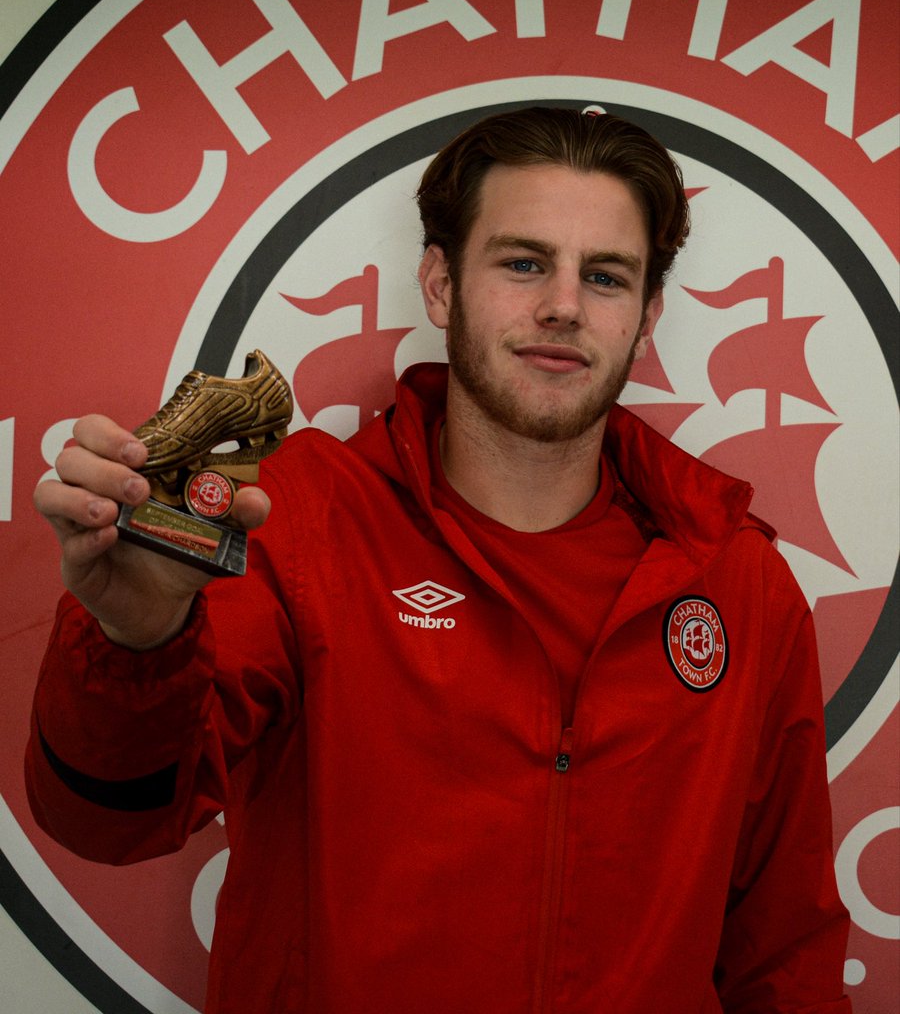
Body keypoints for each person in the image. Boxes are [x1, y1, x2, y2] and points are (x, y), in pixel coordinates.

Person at [28, 106, 851, 1013]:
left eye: (607, 276)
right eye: (524, 262)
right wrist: (137, 639)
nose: (565, 305)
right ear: (439, 284)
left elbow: (787, 953)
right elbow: (110, 824)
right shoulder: (298, 521)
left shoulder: (737, 582)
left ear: (647, 316)